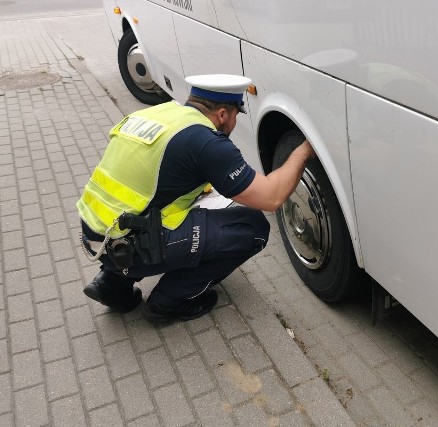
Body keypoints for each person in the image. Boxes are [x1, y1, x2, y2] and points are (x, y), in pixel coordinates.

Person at [77, 74, 316, 322]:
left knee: (180, 211)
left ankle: (112, 284)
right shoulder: (206, 141)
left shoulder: (159, 114)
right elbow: (272, 197)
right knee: (252, 228)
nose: (234, 122)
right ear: (223, 114)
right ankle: (169, 302)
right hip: (127, 245)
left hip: (97, 234)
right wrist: (304, 151)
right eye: (236, 115)